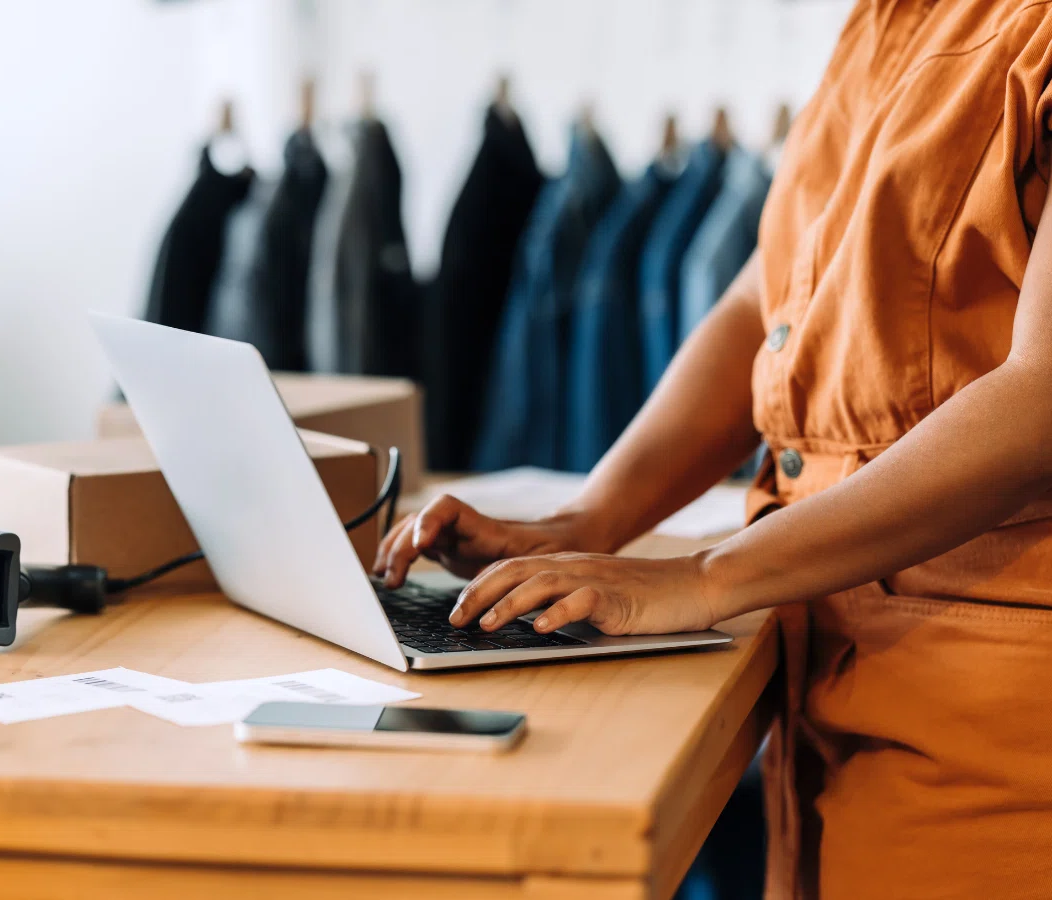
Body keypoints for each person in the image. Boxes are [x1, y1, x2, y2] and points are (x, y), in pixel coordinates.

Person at [374, 3, 1052, 897]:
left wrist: (706, 579)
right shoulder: (891, 22)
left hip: (989, 742)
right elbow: (767, 305)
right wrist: (593, 515)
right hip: (823, 681)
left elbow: (1041, 395)